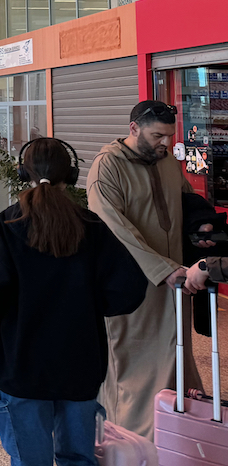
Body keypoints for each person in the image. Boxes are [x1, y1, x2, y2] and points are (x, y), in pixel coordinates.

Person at [0, 139, 147, 464]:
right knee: (79, 459)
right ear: (70, 175)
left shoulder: (10, 224)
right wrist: (87, 304)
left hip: (21, 369)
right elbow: (129, 290)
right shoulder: (91, 226)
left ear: (23, 173)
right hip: (80, 367)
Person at [87, 100, 213, 440]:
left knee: (174, 352)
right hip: (131, 287)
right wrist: (162, 269)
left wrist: (202, 227)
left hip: (175, 282)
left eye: (169, 136)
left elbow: (187, 201)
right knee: (132, 365)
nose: (165, 143)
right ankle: (128, 440)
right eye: (157, 135)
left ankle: (172, 431)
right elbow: (115, 229)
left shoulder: (167, 161)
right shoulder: (107, 166)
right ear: (134, 129)